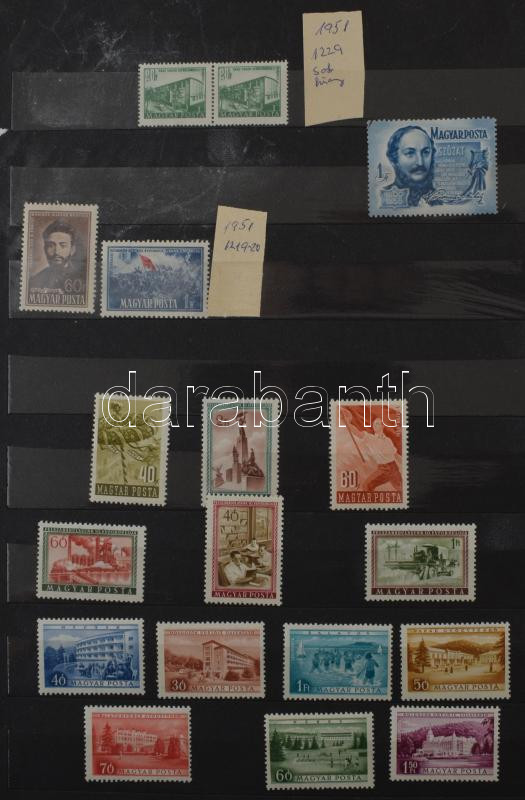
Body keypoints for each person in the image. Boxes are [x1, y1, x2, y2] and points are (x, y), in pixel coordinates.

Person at [341, 409, 402, 493]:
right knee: (366, 486)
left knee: (402, 489)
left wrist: (404, 463)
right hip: (383, 469)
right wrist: (347, 423)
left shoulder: (388, 440)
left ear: (382, 426)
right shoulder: (370, 438)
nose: (375, 425)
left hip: (394, 468)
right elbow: (357, 433)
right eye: (374, 424)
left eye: (378, 423)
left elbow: (395, 454)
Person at [381, 125, 440, 207]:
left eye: (425, 152)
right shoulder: (382, 198)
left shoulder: (440, 200)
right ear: (393, 159)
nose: (420, 163)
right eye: (410, 153)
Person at [29, 218, 85, 291]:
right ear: (45, 249)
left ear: (72, 250)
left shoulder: (82, 277)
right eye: (51, 246)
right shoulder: (35, 280)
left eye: (63, 245)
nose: (57, 252)